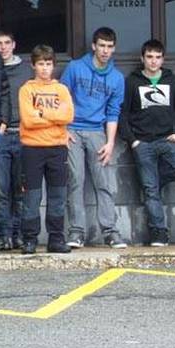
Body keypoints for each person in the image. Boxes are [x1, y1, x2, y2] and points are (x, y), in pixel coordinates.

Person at [118, 39, 175, 247]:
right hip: (142, 143)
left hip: (167, 139)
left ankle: (153, 181)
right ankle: (158, 233)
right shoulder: (132, 81)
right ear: (142, 58)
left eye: (157, 57)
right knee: (151, 191)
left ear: (163, 59)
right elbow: (122, 114)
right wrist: (133, 141)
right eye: (149, 57)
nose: (153, 61)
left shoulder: (172, 80)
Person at [60, 26, 127, 249]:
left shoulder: (117, 78)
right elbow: (61, 98)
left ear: (114, 48)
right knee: (75, 181)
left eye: (109, 47)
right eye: (102, 46)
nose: (105, 51)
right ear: (93, 46)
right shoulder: (75, 67)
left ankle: (110, 232)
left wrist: (110, 143)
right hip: (72, 132)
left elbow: (113, 112)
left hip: (98, 132)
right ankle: (76, 232)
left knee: (103, 183)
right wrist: (63, 129)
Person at [18, 44, 74, 254]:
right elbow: (28, 119)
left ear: (53, 66)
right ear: (33, 65)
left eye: (48, 64)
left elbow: (67, 116)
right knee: (32, 197)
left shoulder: (61, 89)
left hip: (57, 148)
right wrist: (52, 117)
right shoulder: (26, 89)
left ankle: (56, 239)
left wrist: (41, 113)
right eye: (40, 63)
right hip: (32, 149)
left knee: (57, 195)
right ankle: (30, 240)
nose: (44, 68)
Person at [0, 29, 25, 252]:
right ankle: (4, 235)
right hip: (1, 135)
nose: (2, 47)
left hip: (24, 133)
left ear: (14, 45)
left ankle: (18, 234)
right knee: (1, 189)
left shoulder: (26, 69)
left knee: (20, 189)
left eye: (7, 43)